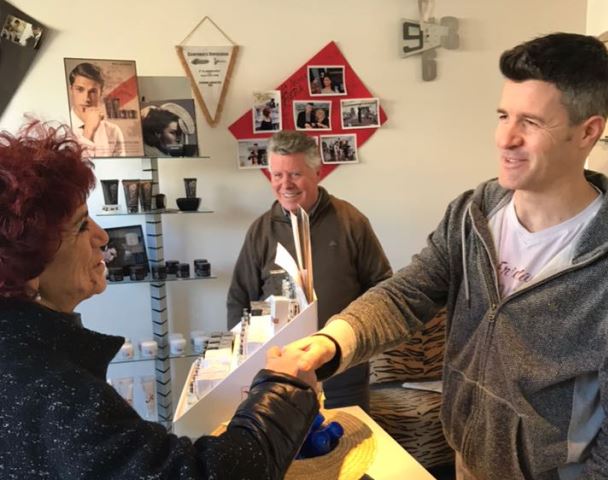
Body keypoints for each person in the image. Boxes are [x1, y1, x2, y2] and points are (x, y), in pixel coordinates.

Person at [284, 32, 608, 479]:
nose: (505, 138)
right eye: (503, 115)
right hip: (466, 459)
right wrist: (333, 342)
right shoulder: (473, 213)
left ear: (587, 131)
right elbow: (406, 294)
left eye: (531, 122)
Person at [0, 121, 318, 479]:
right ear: (28, 260)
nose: (102, 236)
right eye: (81, 225)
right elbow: (199, 474)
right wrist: (284, 389)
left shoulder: (28, 354)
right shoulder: (51, 387)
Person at [227, 130, 392, 412]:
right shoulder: (261, 231)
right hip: (279, 378)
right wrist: (244, 364)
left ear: (317, 173)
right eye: (277, 175)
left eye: (295, 174)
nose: (285, 184)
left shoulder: (351, 221)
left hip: (343, 375)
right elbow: (239, 300)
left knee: (350, 439)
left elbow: (382, 290)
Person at [67, 62, 125, 157]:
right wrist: (88, 132)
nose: (86, 98)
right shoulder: (59, 129)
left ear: (101, 93)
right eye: (80, 89)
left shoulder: (113, 131)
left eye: (93, 91)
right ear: (71, 90)